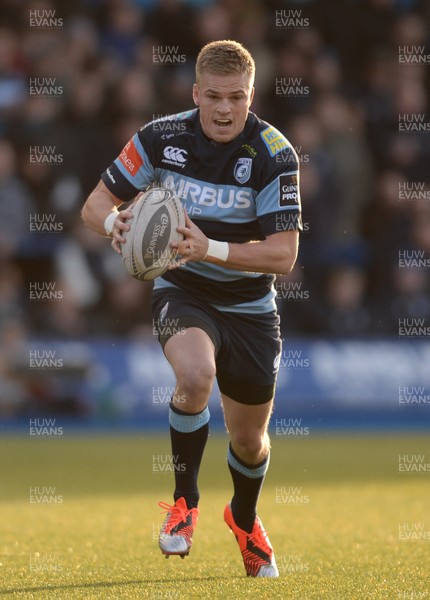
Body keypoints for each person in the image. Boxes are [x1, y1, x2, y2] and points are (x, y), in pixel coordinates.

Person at [81, 40, 302, 578]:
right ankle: (185, 505)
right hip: (184, 290)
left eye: (238, 98)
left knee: (249, 442)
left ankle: (244, 519)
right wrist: (118, 227)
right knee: (196, 375)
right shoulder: (160, 138)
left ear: (251, 96)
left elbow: (284, 255)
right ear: (196, 93)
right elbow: (94, 206)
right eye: (215, 98)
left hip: (251, 306)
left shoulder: (274, 153)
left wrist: (212, 247)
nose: (226, 110)